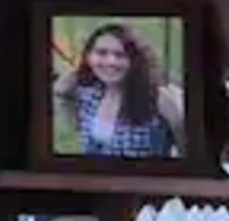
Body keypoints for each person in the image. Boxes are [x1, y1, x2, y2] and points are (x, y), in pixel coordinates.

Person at [65, 21, 181, 160]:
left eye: (121, 55)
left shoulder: (158, 99)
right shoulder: (87, 92)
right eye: (101, 53)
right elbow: (61, 92)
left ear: (136, 60)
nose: (111, 61)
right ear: (88, 56)